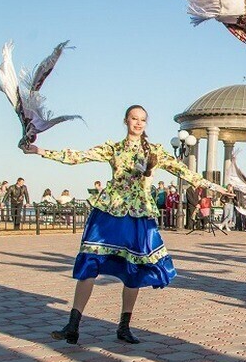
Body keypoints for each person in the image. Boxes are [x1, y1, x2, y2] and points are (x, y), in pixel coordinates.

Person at [26, 105, 225, 345]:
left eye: (143, 120)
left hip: (138, 214)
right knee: (90, 261)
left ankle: (124, 326)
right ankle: (73, 325)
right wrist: (39, 150)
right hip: (110, 210)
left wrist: (214, 186)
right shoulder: (114, 148)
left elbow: (182, 170)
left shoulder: (154, 151)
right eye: (134, 119)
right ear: (126, 121)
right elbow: (78, 156)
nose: (138, 123)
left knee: (134, 269)